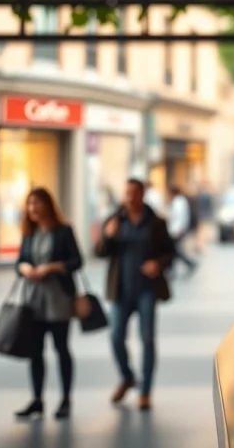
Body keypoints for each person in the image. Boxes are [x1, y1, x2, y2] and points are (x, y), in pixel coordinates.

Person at [96, 179, 176, 411]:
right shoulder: (114, 221)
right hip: (120, 290)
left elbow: (170, 252)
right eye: (127, 193)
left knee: (147, 339)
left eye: (135, 193)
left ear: (143, 195)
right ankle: (128, 376)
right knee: (115, 337)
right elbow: (99, 251)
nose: (130, 198)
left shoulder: (156, 223)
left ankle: (145, 390)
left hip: (146, 291)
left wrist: (157, 264)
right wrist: (109, 236)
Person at [15, 188, 82, 420]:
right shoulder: (29, 232)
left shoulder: (63, 231)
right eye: (29, 204)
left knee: (61, 349)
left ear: (47, 204)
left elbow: (77, 261)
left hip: (59, 299)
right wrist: (24, 268)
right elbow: (21, 260)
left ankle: (65, 399)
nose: (32, 208)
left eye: (36, 203)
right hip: (33, 300)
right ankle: (37, 399)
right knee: (35, 352)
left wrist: (52, 267)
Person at [165, 186, 197, 273]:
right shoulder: (178, 201)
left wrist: (178, 229)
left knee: (175, 250)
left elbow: (180, 217)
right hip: (175, 229)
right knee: (174, 250)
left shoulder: (179, 202)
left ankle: (189, 263)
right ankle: (174, 266)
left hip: (177, 230)